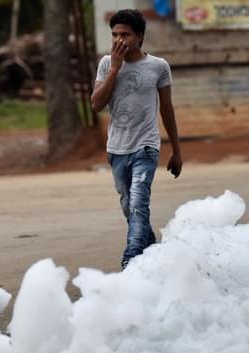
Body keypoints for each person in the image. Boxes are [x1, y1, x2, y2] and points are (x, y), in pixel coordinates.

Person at [91, 9, 182, 270]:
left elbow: (167, 109)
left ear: (139, 37)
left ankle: (130, 260)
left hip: (146, 146)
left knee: (139, 203)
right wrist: (114, 70)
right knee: (129, 207)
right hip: (117, 149)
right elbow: (96, 104)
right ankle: (152, 249)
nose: (119, 40)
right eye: (115, 34)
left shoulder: (158, 66)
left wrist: (176, 150)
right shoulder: (107, 64)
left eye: (126, 35)